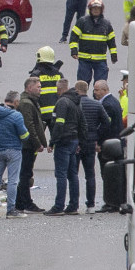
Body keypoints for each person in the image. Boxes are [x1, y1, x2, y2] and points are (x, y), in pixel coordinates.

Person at [0, 90, 29, 219]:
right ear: (15, 102)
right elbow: (24, 135)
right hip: (13, 150)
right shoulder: (16, 116)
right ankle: (10, 210)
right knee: (13, 181)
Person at [44, 79, 86, 216]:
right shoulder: (76, 102)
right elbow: (82, 123)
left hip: (63, 141)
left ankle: (58, 206)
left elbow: (59, 124)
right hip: (74, 141)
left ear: (59, 88)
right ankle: (73, 206)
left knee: (61, 174)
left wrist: (52, 142)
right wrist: (80, 142)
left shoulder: (62, 102)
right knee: (72, 175)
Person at [75, 80, 111, 214]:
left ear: (76, 90)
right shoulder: (96, 104)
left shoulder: (74, 104)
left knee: (74, 174)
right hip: (91, 142)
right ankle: (90, 205)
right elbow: (107, 122)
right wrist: (97, 135)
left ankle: (74, 203)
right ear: (87, 89)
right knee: (90, 174)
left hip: (77, 142)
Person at [16, 76, 50, 213]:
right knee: (25, 174)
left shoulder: (31, 101)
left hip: (29, 145)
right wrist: (37, 143)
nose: (40, 90)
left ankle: (20, 202)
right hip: (27, 146)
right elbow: (29, 125)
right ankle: (26, 203)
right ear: (29, 88)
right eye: (38, 87)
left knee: (26, 173)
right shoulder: (26, 104)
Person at [68, 0, 117, 85]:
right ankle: (82, 98)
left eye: (98, 8)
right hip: (84, 60)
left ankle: (98, 99)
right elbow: (74, 37)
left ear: (101, 10)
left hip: (100, 60)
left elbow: (111, 41)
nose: (95, 10)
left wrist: (113, 55)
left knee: (101, 84)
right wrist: (74, 50)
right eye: (94, 8)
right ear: (90, 9)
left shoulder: (107, 24)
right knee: (82, 84)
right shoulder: (82, 22)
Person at [94, 80, 125, 212]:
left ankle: (111, 203)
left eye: (96, 90)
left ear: (104, 90)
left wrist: (98, 142)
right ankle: (114, 201)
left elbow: (106, 126)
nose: (94, 93)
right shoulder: (113, 101)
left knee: (108, 174)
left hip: (109, 145)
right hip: (115, 143)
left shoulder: (107, 105)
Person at [29, 45, 64, 125]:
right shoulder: (59, 74)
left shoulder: (36, 74)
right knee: (56, 137)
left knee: (38, 136)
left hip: (40, 114)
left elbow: (30, 94)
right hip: (56, 113)